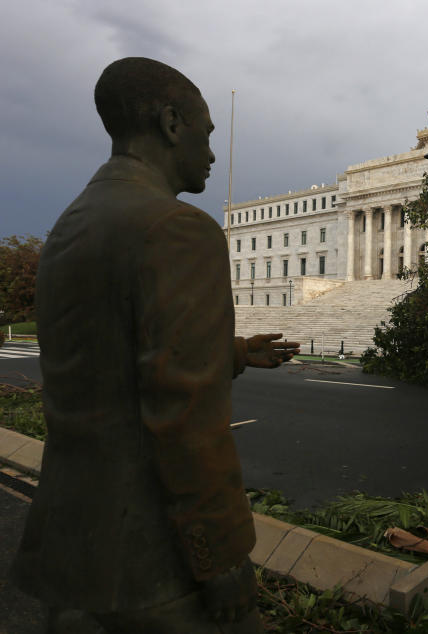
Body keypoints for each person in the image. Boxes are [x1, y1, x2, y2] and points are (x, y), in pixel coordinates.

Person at [12, 57, 299, 633]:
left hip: (67, 545)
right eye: (207, 132)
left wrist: (235, 353)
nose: (213, 154)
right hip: (147, 560)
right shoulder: (178, 228)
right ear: (172, 123)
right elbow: (185, 417)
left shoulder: (72, 225)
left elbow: (111, 358)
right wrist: (219, 558)